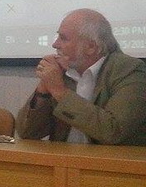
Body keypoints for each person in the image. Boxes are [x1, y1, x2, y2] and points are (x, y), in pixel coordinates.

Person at [16, 9, 146, 145]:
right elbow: (26, 132)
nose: (55, 45)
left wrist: (59, 91)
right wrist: (44, 88)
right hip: (63, 157)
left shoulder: (129, 70)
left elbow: (113, 131)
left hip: (109, 158)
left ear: (91, 47)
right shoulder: (63, 71)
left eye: (63, 38)